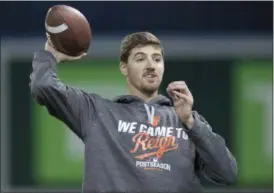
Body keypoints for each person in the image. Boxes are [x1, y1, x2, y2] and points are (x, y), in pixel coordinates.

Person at [30, 32, 237, 192]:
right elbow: (43, 87)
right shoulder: (96, 112)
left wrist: (190, 121)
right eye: (140, 59)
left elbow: (227, 173)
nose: (150, 66)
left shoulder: (185, 119)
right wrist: (51, 55)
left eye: (157, 59)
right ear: (123, 67)